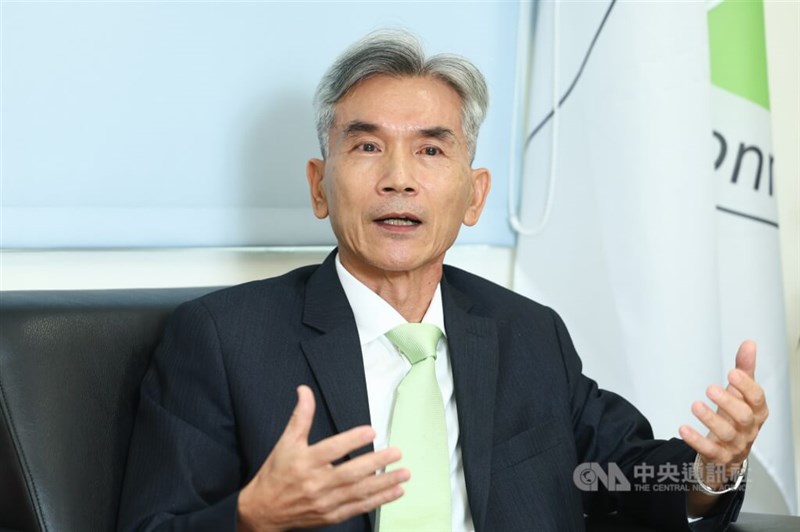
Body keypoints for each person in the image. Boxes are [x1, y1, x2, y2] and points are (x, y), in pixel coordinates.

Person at [117, 30, 768, 532]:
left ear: (474, 196)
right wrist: (251, 517)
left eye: (430, 149)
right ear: (319, 187)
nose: (398, 178)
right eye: (367, 147)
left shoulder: (527, 334)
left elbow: (618, 476)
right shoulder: (223, 340)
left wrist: (711, 472)